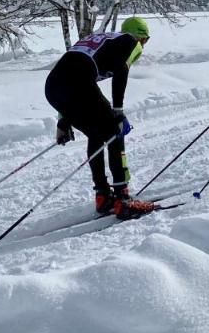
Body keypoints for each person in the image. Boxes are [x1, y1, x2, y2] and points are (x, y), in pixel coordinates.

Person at [44, 16, 155, 219]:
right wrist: (118, 112)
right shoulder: (131, 41)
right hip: (77, 84)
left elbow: (68, 74)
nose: (144, 46)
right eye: (146, 40)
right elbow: (121, 71)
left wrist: (63, 121)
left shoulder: (101, 38)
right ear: (141, 37)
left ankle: (103, 196)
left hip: (52, 87)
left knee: (96, 132)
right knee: (115, 131)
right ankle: (123, 199)